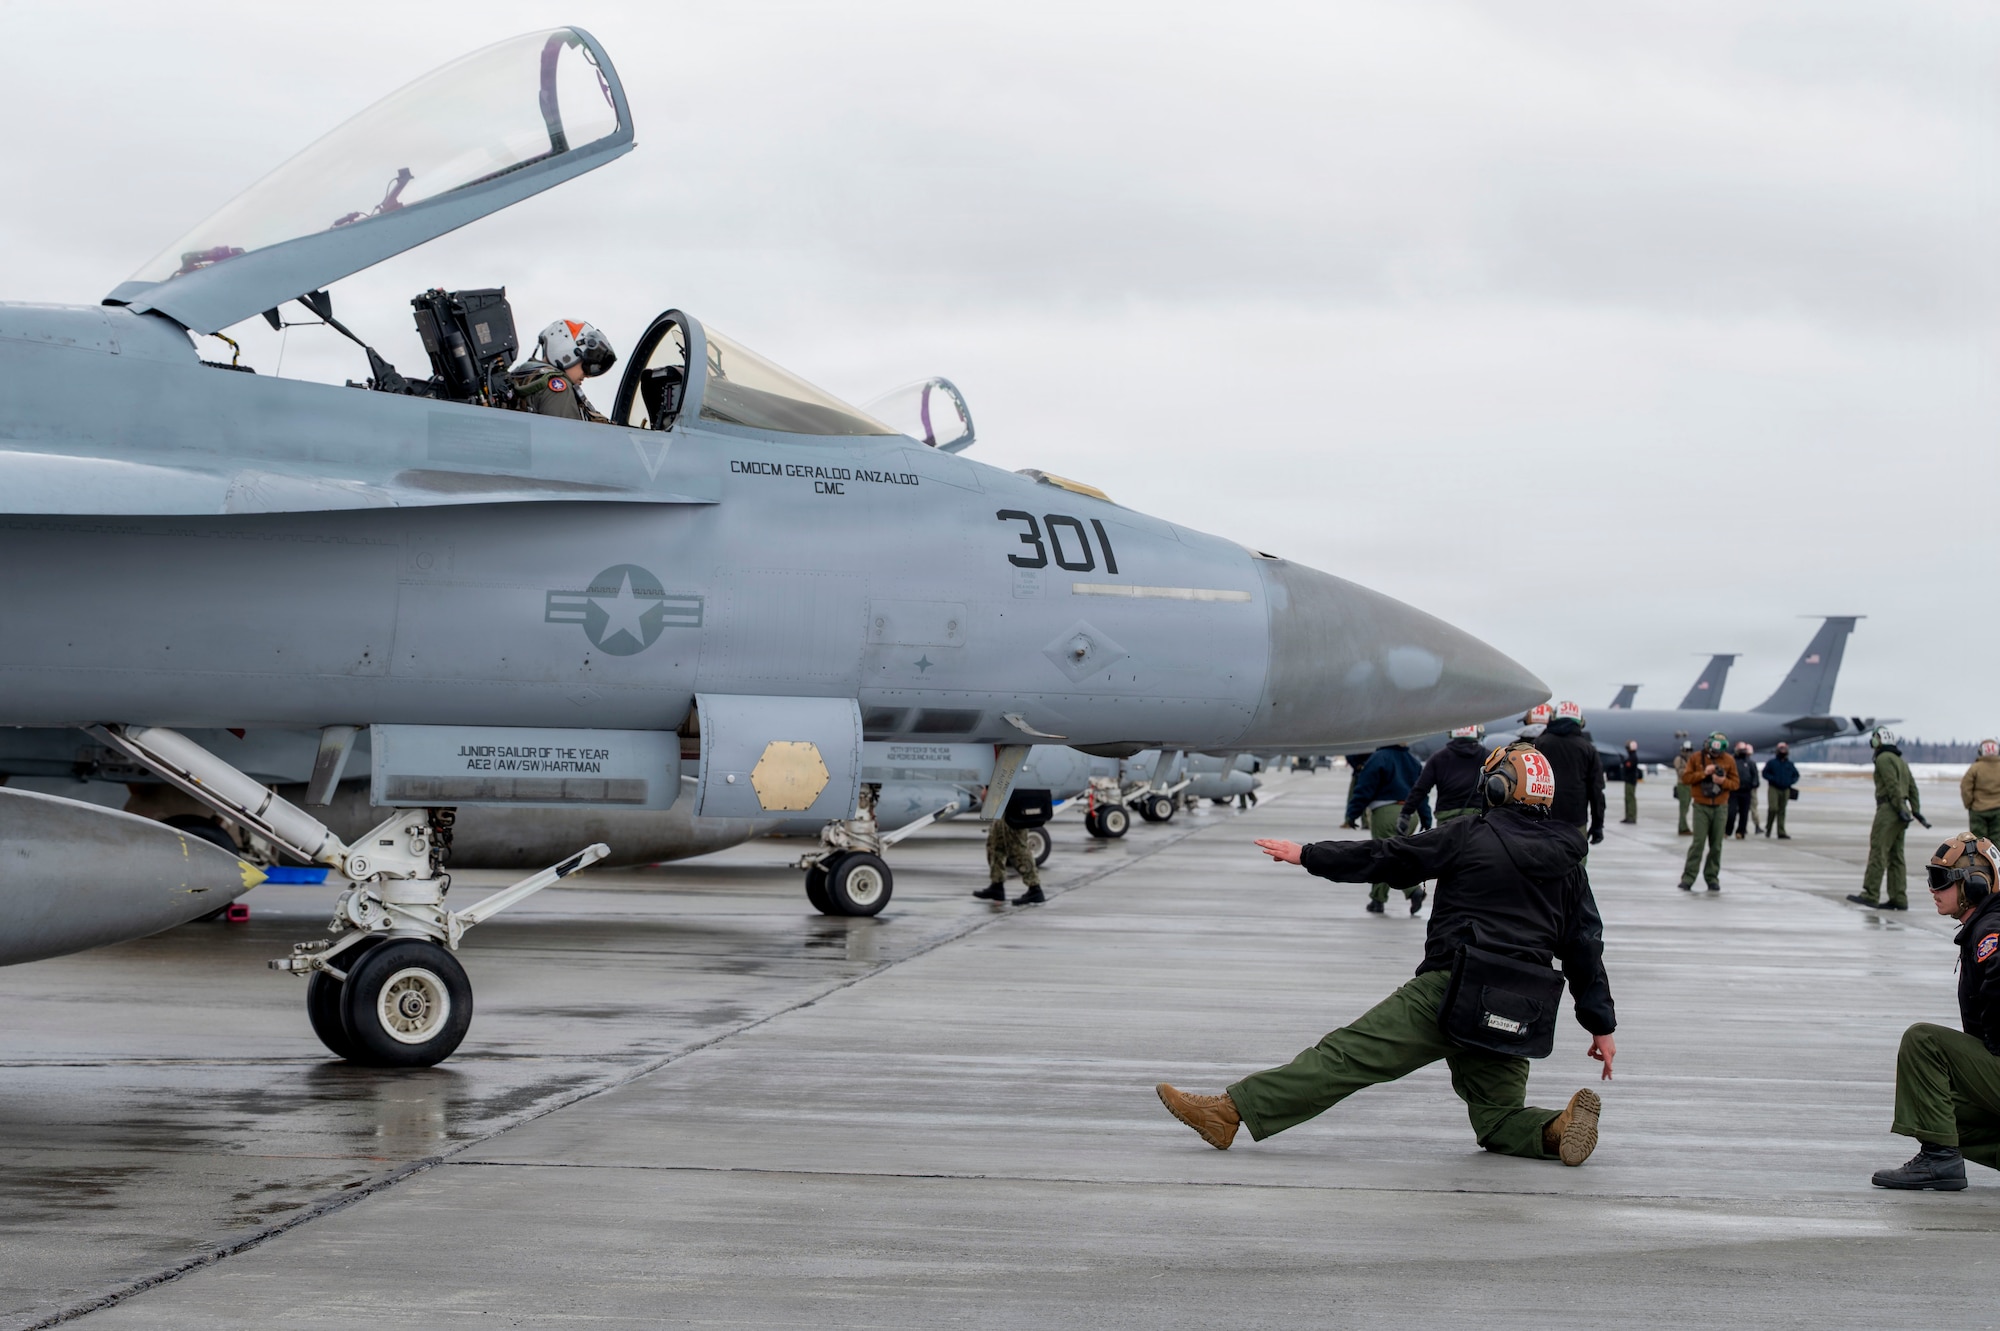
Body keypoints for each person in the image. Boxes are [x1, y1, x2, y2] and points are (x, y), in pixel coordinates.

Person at [1154, 743, 1616, 1165]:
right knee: (1498, 1119)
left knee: (1346, 1056)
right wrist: (1600, 1026)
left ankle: (1229, 1113)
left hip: (1453, 987)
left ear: (1496, 787)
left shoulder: (1468, 834)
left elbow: (1390, 856)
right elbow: (1584, 945)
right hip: (1522, 1005)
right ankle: (1557, 1127)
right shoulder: (1570, 864)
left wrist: (1309, 855)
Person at [1870, 834, 2000, 1191]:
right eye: (1932, 878)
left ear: (1973, 885)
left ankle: (1939, 1161)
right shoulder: (1985, 927)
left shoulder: (1992, 931)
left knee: (1923, 1040)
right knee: (1939, 1111)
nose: (1933, 889)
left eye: (1941, 880)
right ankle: (1941, 1154)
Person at [1346, 743, 1425, 915]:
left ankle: (1405, 892)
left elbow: (1365, 787)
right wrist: (1426, 817)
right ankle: (1380, 898)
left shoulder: (1379, 758)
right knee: (1394, 855)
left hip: (1386, 813)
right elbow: (1421, 791)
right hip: (1411, 815)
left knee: (1383, 856)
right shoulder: (1413, 761)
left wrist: (1352, 814)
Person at [1849, 727, 1922, 911]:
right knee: (1896, 856)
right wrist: (1915, 810)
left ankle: (1870, 894)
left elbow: (1892, 785)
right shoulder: (1901, 761)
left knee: (1878, 851)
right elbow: (1912, 787)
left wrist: (1898, 808)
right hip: (1901, 810)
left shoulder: (1883, 759)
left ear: (1879, 740)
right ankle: (1899, 897)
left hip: (1889, 809)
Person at [510, 319, 617, 422]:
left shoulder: (521, 375)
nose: (587, 375)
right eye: (586, 364)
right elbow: (566, 438)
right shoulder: (557, 386)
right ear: (567, 353)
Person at [1535, 701, 1606, 846]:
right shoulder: (1588, 749)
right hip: (1575, 823)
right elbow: (1596, 791)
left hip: (1541, 822)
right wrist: (1597, 824)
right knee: (1576, 865)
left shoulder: (1538, 745)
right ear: (1580, 722)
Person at [1678, 732, 1738, 892]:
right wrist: (1705, 772)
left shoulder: (1729, 760)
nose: (1715, 753)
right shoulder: (1696, 758)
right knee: (1698, 843)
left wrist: (1723, 781)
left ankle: (1712, 878)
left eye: (1718, 751)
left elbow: (1736, 783)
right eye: (1713, 749)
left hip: (1720, 807)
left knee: (1716, 845)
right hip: (1701, 806)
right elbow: (1686, 778)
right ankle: (1688, 878)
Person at [1404, 726, 1490, 828]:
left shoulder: (1438, 758)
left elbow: (1420, 789)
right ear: (1477, 732)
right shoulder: (1488, 757)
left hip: (1446, 820)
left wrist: (1406, 813)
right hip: (1478, 819)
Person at [974, 818, 1044, 906]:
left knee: (1017, 847)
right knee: (995, 842)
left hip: (1013, 808)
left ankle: (1035, 888)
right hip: (1000, 807)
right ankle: (997, 885)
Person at [1963, 739, 2000, 843]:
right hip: (1998, 810)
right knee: (1998, 842)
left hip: (1978, 810)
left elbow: (1966, 787)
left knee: (1979, 842)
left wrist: (1969, 804)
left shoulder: (1975, 768)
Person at [1762, 742, 1799, 839]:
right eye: (1781, 749)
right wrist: (1773, 779)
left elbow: (1796, 775)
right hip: (1774, 788)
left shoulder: (1789, 764)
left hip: (1785, 789)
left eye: (1784, 749)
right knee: (1773, 808)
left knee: (1782, 810)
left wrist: (1790, 781)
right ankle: (1768, 827)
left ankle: (1781, 831)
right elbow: (1765, 773)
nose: (1783, 751)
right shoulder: (1772, 763)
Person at [1726, 742, 1760, 840]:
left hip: (1746, 791)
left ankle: (1740, 832)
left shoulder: (1750, 763)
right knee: (1731, 812)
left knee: (1744, 813)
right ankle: (1728, 830)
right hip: (1734, 791)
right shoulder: (1731, 762)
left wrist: (1753, 785)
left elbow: (1755, 776)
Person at [1340, 753, 1369, 828]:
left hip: (1366, 770)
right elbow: (1349, 754)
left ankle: (1365, 821)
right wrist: (1357, 765)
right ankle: (1350, 820)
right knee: (1357, 796)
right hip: (1360, 771)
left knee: (1364, 796)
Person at [1673, 740, 1696, 835]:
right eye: (1687, 750)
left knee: (1686, 807)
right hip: (1682, 785)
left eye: (1690, 750)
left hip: (1690, 785)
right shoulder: (1679, 759)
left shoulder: (1691, 760)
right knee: (1683, 807)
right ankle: (1682, 827)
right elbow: (1681, 772)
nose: (1688, 753)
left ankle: (1684, 826)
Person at [1616, 741, 1643, 824]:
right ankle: (1629, 816)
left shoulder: (1632, 757)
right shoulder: (1632, 756)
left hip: (1630, 781)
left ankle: (1631, 816)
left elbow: (1628, 766)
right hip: (1629, 780)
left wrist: (1624, 762)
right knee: (1628, 798)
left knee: (1630, 798)